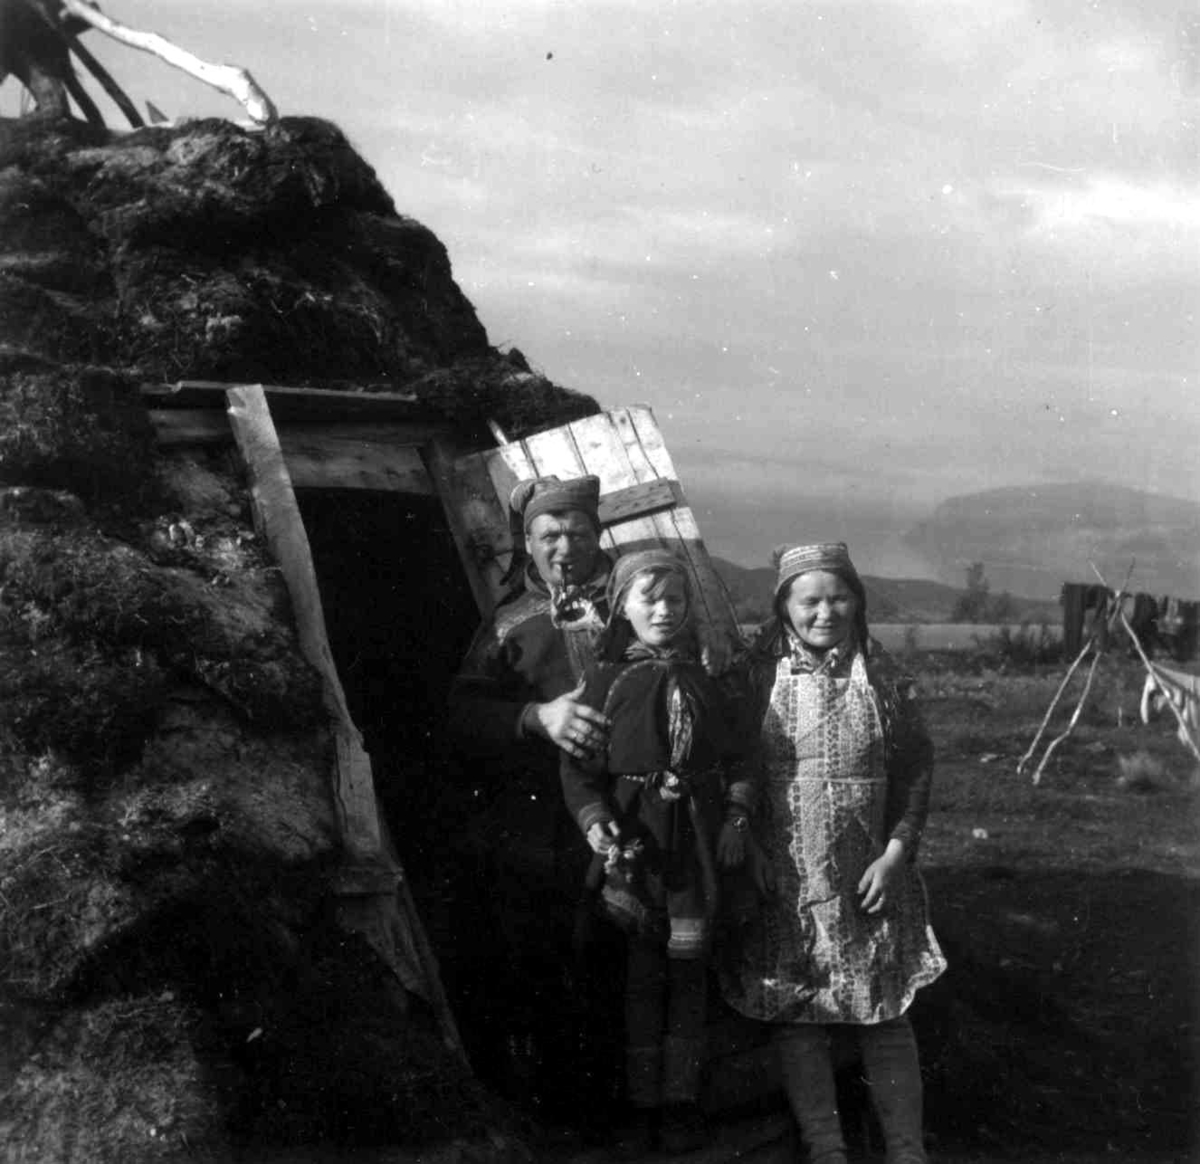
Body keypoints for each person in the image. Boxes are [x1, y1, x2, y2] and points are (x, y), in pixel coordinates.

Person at [719, 542, 946, 1164]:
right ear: (784, 607)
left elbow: (916, 770)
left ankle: (906, 1150)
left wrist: (897, 853)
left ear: (858, 601)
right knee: (800, 1009)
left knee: (884, 1011)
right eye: (810, 600)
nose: (826, 612)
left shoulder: (886, 677)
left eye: (839, 597)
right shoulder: (753, 676)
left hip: (868, 872)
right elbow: (735, 762)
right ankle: (827, 1149)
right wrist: (750, 845)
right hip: (786, 874)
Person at [559, 549, 756, 1154]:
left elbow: (740, 756)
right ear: (622, 607)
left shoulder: (708, 679)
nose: (665, 611)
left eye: (675, 599)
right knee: (641, 977)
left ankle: (680, 1101)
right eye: (650, 600)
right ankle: (642, 1102)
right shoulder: (606, 679)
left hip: (693, 847)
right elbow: (577, 771)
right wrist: (597, 826)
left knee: (690, 973)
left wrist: (737, 817)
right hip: (636, 847)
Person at [446, 474, 622, 1120]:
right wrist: (535, 719)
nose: (564, 546)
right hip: (539, 827)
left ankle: (632, 1113)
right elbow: (461, 718)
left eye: (577, 531)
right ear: (530, 543)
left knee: (628, 966)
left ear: (598, 535)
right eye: (549, 534)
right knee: (546, 965)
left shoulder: (638, 607)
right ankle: (561, 1117)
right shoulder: (509, 626)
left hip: (630, 818)